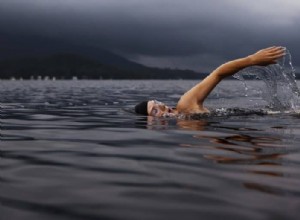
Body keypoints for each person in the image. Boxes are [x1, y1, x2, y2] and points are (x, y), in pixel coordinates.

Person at [135, 46, 286, 117]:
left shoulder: (185, 105)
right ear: (151, 122)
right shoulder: (183, 120)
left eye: (157, 102)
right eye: (155, 110)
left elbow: (218, 73)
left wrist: (252, 60)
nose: (161, 106)